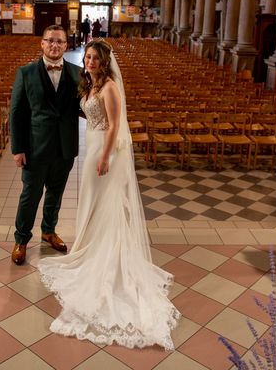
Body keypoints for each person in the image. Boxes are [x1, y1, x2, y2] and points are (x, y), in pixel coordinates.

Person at [38, 39, 180, 350]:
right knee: (92, 202)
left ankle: (108, 261)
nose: (89, 62)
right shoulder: (89, 85)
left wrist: (104, 157)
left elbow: (115, 125)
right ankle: (88, 248)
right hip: (92, 147)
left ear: (104, 62)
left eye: (94, 58)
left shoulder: (111, 87)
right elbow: (90, 115)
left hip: (104, 151)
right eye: (87, 57)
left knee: (106, 205)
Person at [10, 25, 82, 265]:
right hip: (34, 149)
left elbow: (85, 108)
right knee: (30, 196)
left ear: (66, 45)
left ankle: (49, 230)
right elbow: (17, 113)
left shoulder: (77, 73)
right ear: (42, 43)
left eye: (59, 41)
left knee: (55, 194)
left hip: (64, 148)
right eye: (50, 40)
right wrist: (18, 149)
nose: (55, 45)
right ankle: (21, 239)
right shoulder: (26, 73)